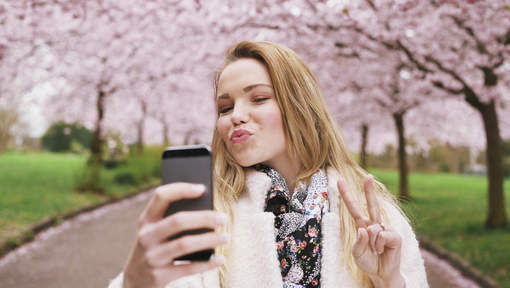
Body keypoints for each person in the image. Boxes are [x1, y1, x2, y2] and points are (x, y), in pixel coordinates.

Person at [108, 41, 429, 288]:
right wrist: (136, 281)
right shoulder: (210, 216)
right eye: (224, 107)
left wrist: (389, 282)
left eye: (258, 98)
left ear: (300, 106)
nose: (235, 115)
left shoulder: (373, 218)